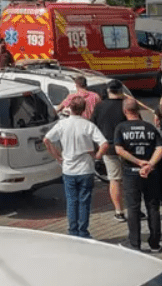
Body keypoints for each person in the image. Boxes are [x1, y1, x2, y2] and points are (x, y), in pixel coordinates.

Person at [43, 97, 108, 238]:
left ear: (70, 108)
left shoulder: (62, 125)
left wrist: (57, 156)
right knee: (84, 201)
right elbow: (104, 144)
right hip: (86, 168)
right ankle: (83, 231)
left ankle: (72, 230)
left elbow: (47, 139)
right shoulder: (88, 125)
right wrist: (97, 156)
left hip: (69, 168)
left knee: (72, 201)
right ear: (83, 110)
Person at [114, 98, 162, 252]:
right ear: (139, 110)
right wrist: (150, 164)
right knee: (153, 207)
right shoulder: (149, 127)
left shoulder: (121, 128)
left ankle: (134, 244)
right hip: (151, 173)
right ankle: (155, 243)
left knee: (133, 208)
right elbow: (160, 148)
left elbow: (119, 150)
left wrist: (138, 162)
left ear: (124, 111)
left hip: (131, 173)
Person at [88, 79, 128, 221]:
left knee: (114, 180)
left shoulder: (99, 107)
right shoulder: (126, 105)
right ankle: (135, 208)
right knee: (130, 179)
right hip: (127, 148)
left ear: (108, 91)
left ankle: (119, 211)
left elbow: (92, 127)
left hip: (108, 148)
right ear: (121, 90)